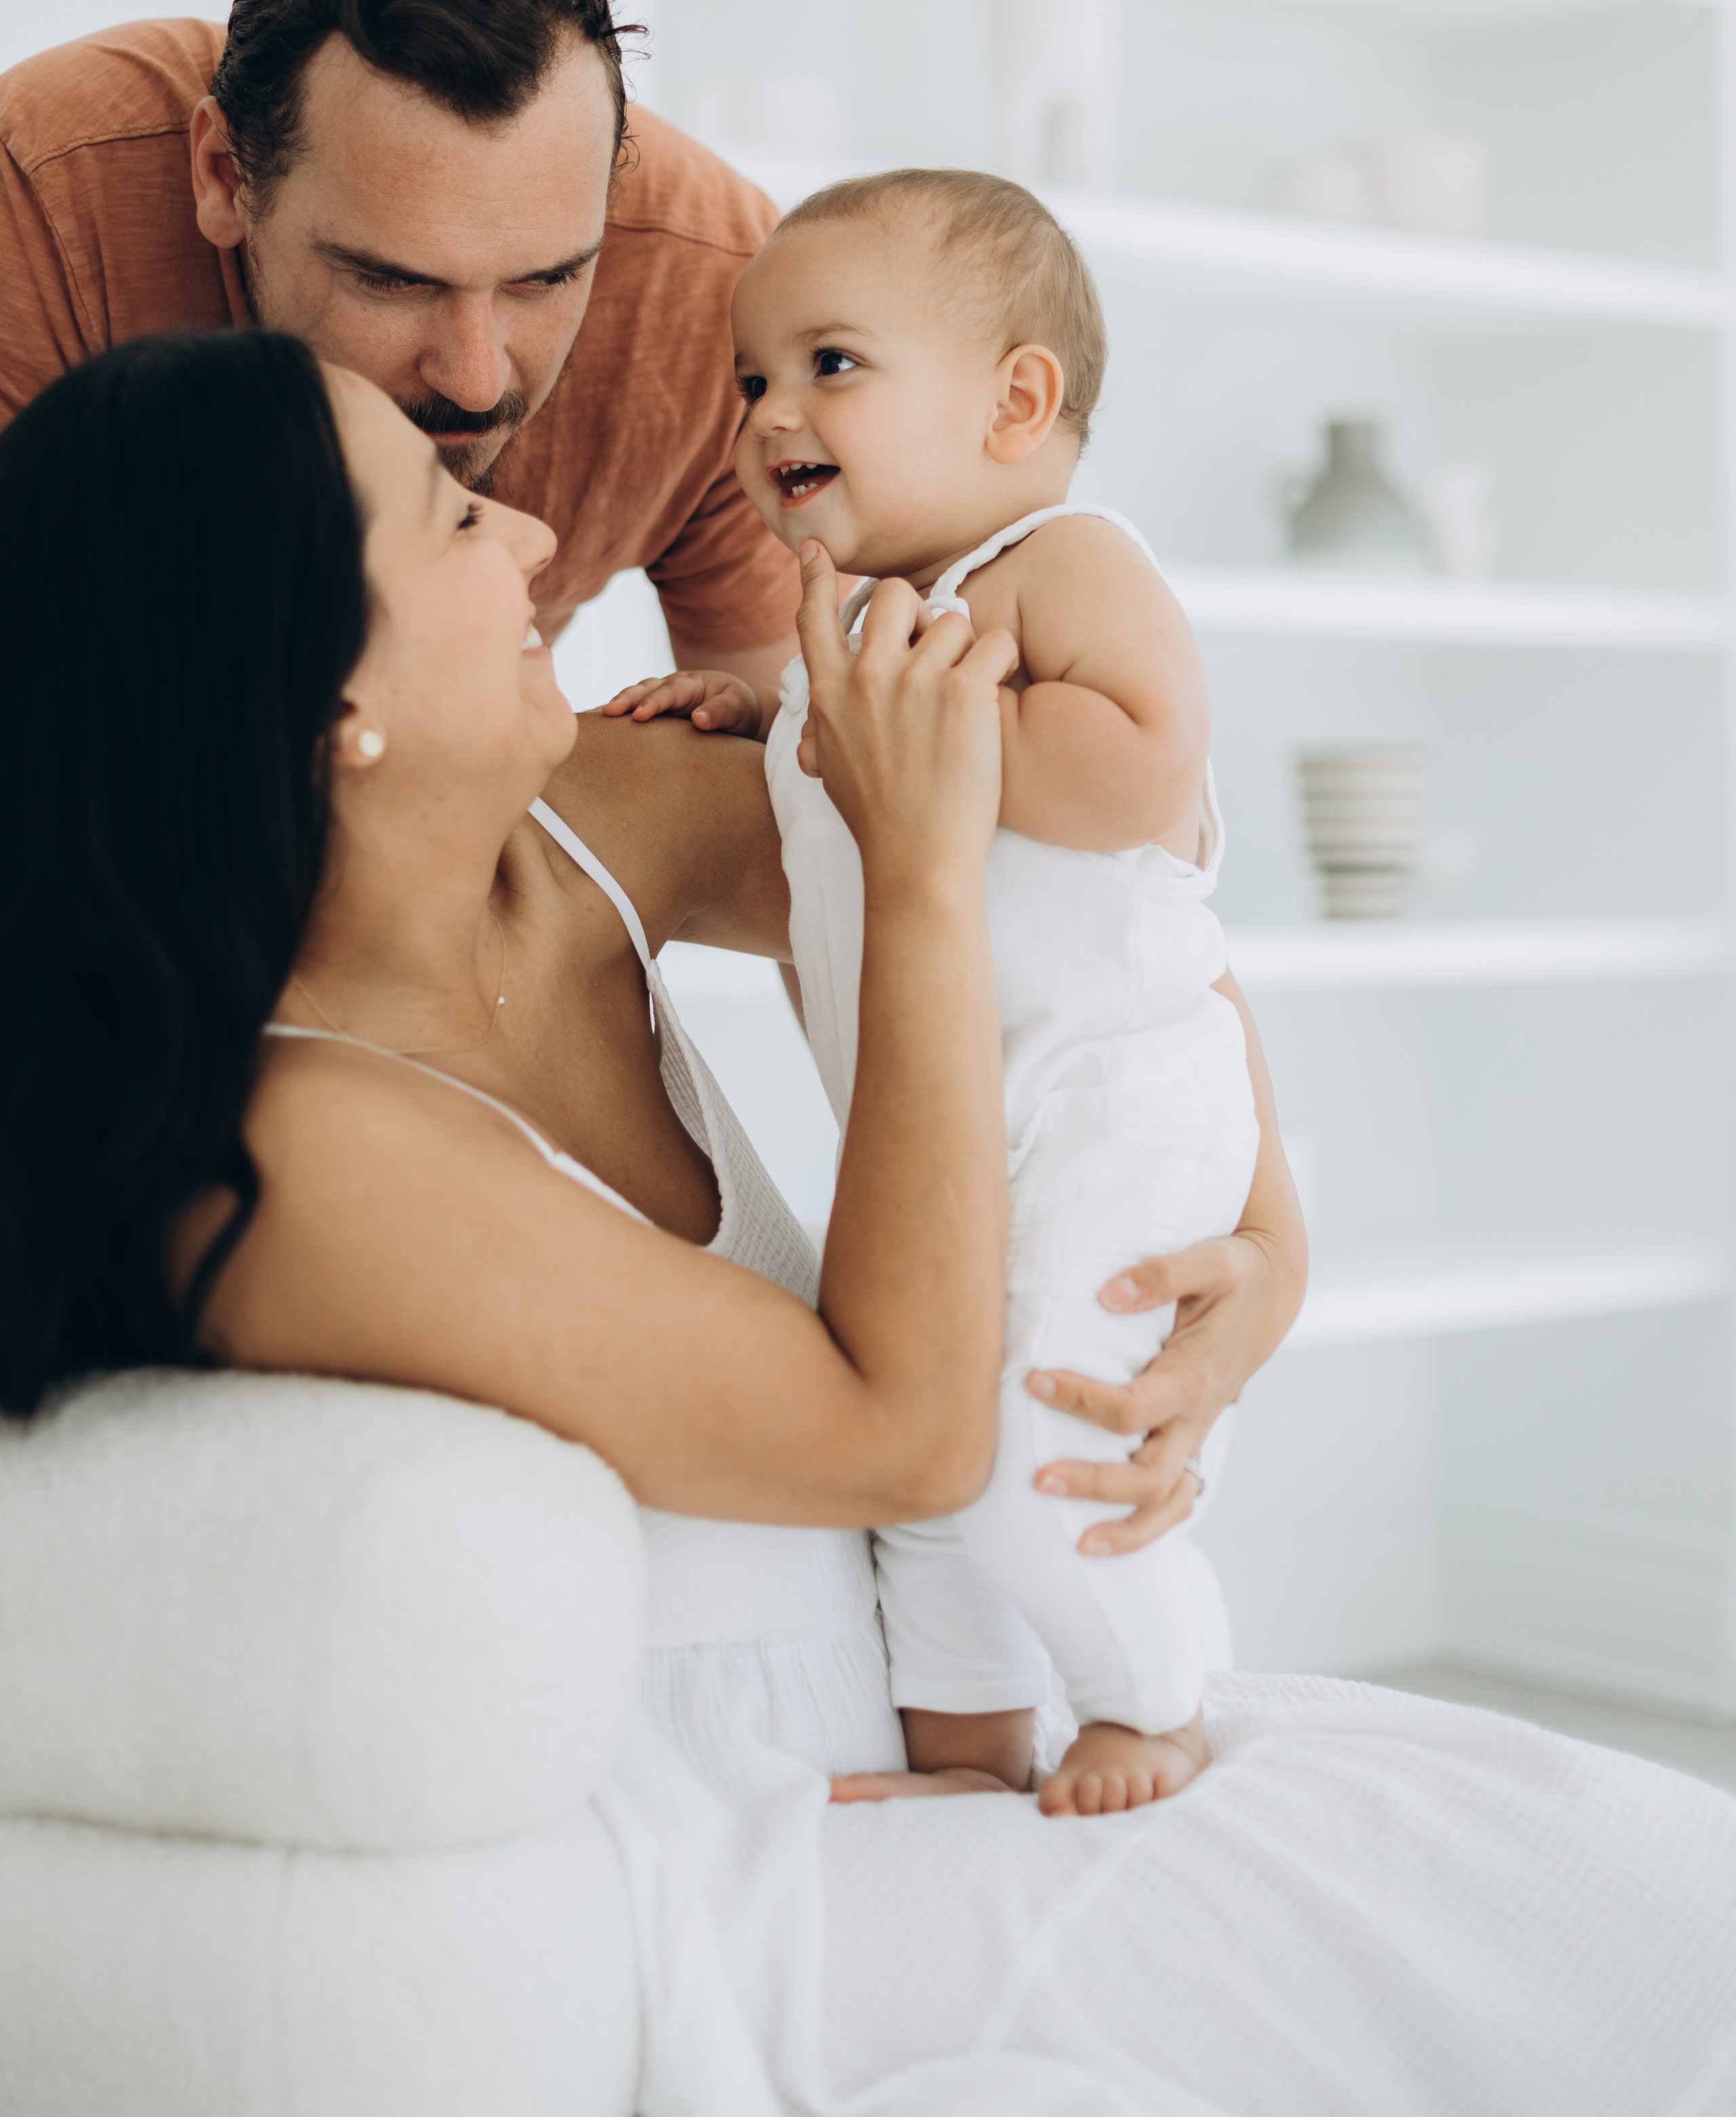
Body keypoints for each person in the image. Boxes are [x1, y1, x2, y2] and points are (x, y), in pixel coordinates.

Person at [3, 333, 1731, 2117]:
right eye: (449, 520)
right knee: (1530, 1932)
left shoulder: (569, 825)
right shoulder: (295, 1152)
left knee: (1600, 1864)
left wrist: (1270, 1237)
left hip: (945, 1728)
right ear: (319, 697)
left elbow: (1091, 907)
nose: (531, 540)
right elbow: (902, 1433)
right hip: (742, 1851)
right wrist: (908, 870)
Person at [612, 168, 1259, 1819]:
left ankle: (1153, 1696)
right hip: (949, 1142)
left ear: (1014, 403)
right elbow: (830, 833)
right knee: (913, 1457)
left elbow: (1142, 764)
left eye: (830, 363)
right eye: (751, 379)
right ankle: (969, 1754)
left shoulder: (1053, 566)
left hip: (1112, 1108)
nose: (770, 413)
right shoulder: (850, 650)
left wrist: (893, 734)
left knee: (1036, 1428)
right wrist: (763, 721)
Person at [0, 0, 798, 696]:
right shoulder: (42, 194)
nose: (476, 383)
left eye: (545, 280)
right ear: (225, 177)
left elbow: (785, 748)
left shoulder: (729, 288)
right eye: (393, 282)